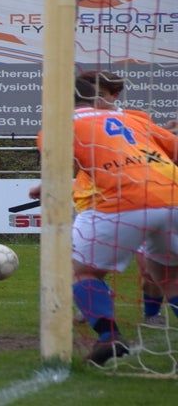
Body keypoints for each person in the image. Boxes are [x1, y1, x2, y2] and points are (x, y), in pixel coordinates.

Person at [29, 76, 178, 365]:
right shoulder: (133, 118)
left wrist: (45, 187)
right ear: (93, 99)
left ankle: (109, 337)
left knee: (79, 272)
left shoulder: (58, 127)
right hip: (173, 195)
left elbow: (59, 171)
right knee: (170, 276)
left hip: (123, 201)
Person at [78, 70, 178, 327]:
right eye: (89, 95)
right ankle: (94, 302)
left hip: (140, 197)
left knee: (150, 271)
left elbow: (162, 153)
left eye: (100, 95)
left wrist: (167, 135)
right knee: (89, 266)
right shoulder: (81, 121)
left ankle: (150, 315)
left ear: (115, 95)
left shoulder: (134, 119)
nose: (93, 101)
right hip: (94, 201)